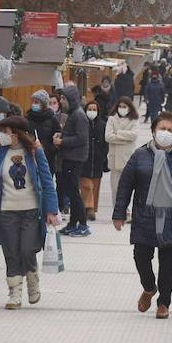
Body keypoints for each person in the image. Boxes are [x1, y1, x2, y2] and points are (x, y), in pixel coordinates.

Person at [112, 112, 172, 320]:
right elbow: (125, 185)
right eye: (162, 129)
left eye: (170, 130)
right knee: (141, 257)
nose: (165, 133)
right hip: (145, 217)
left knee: (168, 264)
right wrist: (119, 213)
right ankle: (148, 288)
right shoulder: (140, 155)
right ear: (154, 130)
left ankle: (164, 302)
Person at [0, 115, 60, 310]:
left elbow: (47, 180)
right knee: (11, 253)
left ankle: (32, 280)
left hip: (30, 211)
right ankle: (14, 293)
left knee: (27, 250)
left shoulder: (34, 152)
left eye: (4, 131)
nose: (1, 135)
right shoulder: (0, 153)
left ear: (15, 133)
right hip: (6, 212)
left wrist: (51, 210)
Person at [54, 85, 91, 237]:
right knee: (70, 190)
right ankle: (72, 224)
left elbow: (82, 138)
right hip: (69, 157)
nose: (61, 101)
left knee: (74, 193)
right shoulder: (73, 114)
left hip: (75, 158)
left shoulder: (79, 115)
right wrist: (61, 136)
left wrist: (63, 142)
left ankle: (82, 224)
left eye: (63, 98)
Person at [27, 90, 64, 214]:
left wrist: (47, 147)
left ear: (43, 103)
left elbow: (58, 140)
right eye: (33, 101)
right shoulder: (28, 118)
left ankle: (48, 210)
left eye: (37, 102)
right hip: (30, 157)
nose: (34, 104)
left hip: (48, 158)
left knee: (46, 184)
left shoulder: (52, 119)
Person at [104, 97, 140, 221]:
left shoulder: (134, 120)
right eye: (121, 106)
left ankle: (128, 211)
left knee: (128, 187)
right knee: (115, 188)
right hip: (114, 160)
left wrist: (118, 133)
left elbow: (134, 135)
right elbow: (108, 137)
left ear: (129, 107)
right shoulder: (111, 119)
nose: (122, 109)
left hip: (127, 159)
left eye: (125, 106)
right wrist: (125, 136)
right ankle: (117, 212)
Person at [79, 98, 108, 221]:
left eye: (94, 109)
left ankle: (90, 208)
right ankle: (89, 207)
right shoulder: (82, 124)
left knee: (95, 186)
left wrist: (103, 154)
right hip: (84, 159)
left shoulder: (102, 125)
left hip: (97, 159)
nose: (92, 111)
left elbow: (106, 143)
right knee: (86, 185)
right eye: (90, 109)